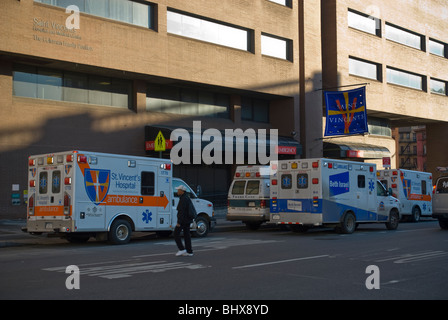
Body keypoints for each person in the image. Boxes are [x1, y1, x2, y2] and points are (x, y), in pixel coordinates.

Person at [174, 185, 194, 257]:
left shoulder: (183, 199)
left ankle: (181, 249)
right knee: (187, 235)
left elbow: (181, 212)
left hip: (183, 220)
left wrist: (179, 222)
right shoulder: (186, 198)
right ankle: (189, 251)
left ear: (182, 191)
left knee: (176, 233)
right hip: (187, 220)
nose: (177, 191)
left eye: (178, 190)